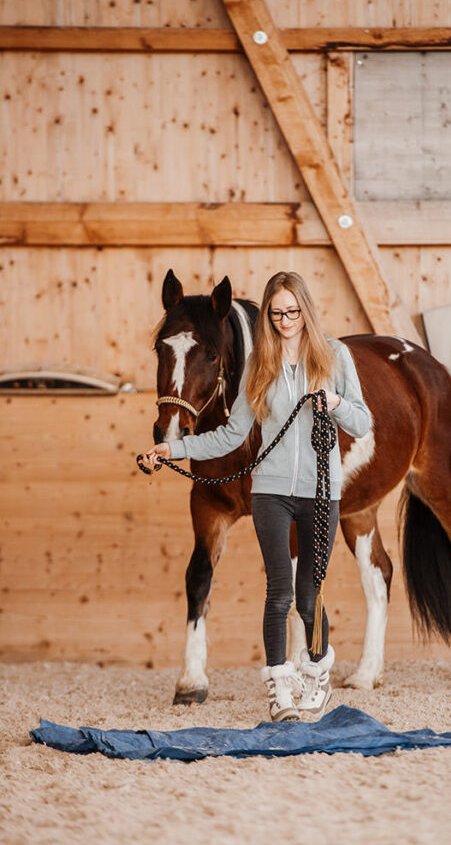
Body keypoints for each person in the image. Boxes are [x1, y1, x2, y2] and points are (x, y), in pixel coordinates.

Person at [144, 271, 371, 722]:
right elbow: (231, 433)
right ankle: (280, 691)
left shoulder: (335, 356)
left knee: (310, 594)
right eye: (276, 313)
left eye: (292, 311)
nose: (285, 320)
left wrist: (335, 402)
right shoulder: (259, 365)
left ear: (305, 310)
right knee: (278, 593)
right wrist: (176, 447)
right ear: (267, 314)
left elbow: (362, 422)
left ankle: (317, 677)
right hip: (270, 492)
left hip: (319, 492)